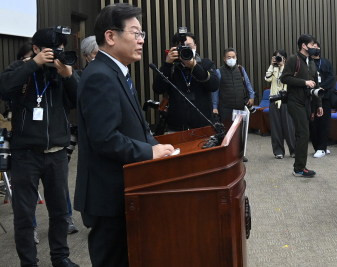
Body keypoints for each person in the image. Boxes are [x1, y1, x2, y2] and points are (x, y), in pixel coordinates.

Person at [74, 3, 176, 266]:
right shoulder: (100, 76)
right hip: (109, 194)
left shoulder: (117, 72)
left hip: (127, 188)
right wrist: (148, 151)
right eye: (135, 33)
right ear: (110, 36)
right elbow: (104, 137)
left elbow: (138, 127)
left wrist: (159, 147)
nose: (141, 41)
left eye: (142, 34)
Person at [0, 26, 81, 267]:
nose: (57, 53)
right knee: (24, 214)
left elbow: (81, 101)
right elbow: (4, 88)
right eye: (52, 49)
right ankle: (29, 263)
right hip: (26, 154)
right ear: (36, 49)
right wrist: (33, 64)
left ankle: (61, 257)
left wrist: (68, 75)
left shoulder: (62, 71)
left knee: (59, 213)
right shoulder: (20, 69)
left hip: (56, 153)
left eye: (61, 48)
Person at [152, 31, 219, 133]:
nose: (185, 49)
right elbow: (157, 89)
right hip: (176, 128)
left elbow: (214, 85)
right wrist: (167, 64)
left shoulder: (206, 64)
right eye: (181, 46)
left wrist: (195, 66)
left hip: (204, 126)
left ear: (195, 47)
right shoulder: (172, 67)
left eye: (189, 46)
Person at [280, 34, 323, 177]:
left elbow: (316, 84)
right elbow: (284, 78)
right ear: (304, 46)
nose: (314, 48)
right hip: (294, 101)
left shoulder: (311, 62)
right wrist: (304, 82)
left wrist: (319, 105)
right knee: (303, 133)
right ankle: (299, 168)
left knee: (303, 134)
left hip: (307, 102)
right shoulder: (294, 59)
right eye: (312, 45)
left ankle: (300, 166)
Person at [265, 49, 295, 159]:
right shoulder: (273, 69)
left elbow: (286, 79)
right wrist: (272, 66)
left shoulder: (288, 69)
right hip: (274, 100)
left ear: (285, 59)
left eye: (280, 57)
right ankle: (278, 151)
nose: (277, 59)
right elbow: (267, 79)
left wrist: (282, 66)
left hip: (286, 101)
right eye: (275, 57)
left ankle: (293, 150)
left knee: (289, 127)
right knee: (275, 127)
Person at [212, 47, 255, 123]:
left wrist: (252, 96)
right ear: (224, 59)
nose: (231, 59)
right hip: (225, 108)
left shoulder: (241, 69)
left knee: (239, 131)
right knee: (226, 130)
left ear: (236, 58)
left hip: (239, 106)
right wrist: (215, 107)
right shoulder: (219, 71)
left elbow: (247, 83)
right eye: (229, 57)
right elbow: (216, 91)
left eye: (233, 57)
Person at [310, 41, 336, 158]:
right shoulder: (308, 62)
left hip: (325, 96)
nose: (315, 49)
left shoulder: (326, 62)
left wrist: (321, 87)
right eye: (313, 47)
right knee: (313, 124)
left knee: (325, 123)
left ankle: (322, 147)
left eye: (317, 47)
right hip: (311, 97)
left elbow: (331, 78)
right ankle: (318, 147)